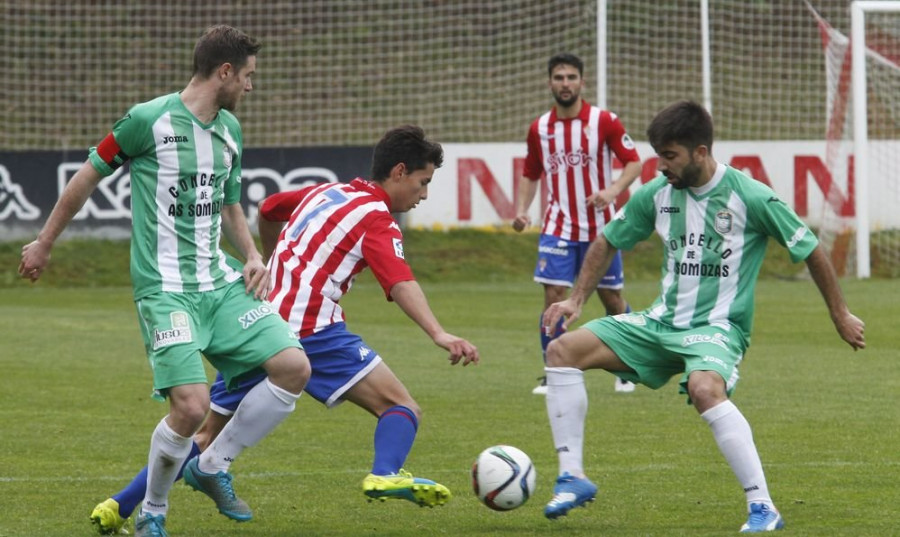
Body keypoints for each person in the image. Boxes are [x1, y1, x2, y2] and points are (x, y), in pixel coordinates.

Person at [88, 125, 480, 535]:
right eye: (423, 182)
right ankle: (386, 473)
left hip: (255, 322)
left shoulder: (325, 192)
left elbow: (271, 207)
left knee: (204, 434)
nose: (424, 194)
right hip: (311, 330)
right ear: (399, 171)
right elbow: (400, 282)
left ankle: (118, 505)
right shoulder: (377, 219)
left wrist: (275, 259)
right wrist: (439, 333)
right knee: (400, 407)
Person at [19, 25, 311, 537]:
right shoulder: (147, 120)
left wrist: (251, 253)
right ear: (224, 72)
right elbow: (87, 175)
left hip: (218, 283)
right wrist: (44, 241)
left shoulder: (230, 131)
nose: (250, 87)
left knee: (293, 367)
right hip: (165, 287)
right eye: (246, 77)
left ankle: (212, 464)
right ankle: (153, 511)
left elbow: (229, 204)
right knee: (192, 404)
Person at [539, 100, 866, 532]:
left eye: (670, 156)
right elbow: (607, 240)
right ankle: (572, 477)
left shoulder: (750, 195)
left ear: (700, 151)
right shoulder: (657, 194)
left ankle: (763, 506)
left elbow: (809, 248)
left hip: (717, 327)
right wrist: (577, 299)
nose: (661, 167)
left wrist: (840, 314)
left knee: (704, 388)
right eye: (658, 155)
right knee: (562, 350)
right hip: (660, 323)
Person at [513, 52, 643, 395]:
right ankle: (554, 372)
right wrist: (522, 209)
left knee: (612, 299)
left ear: (582, 83)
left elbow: (633, 163)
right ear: (549, 83)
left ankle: (628, 366)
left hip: (602, 227)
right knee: (554, 295)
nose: (565, 83)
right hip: (558, 224)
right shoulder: (539, 128)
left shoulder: (605, 121)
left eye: (571, 77)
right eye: (559, 77)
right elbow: (530, 172)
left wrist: (613, 189)